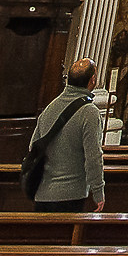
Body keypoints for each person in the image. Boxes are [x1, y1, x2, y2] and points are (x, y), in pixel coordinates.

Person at [26, 58, 105, 212]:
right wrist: (98, 191)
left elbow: (33, 147)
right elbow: (93, 156)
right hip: (71, 195)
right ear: (93, 80)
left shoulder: (50, 107)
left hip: (42, 194)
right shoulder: (90, 112)